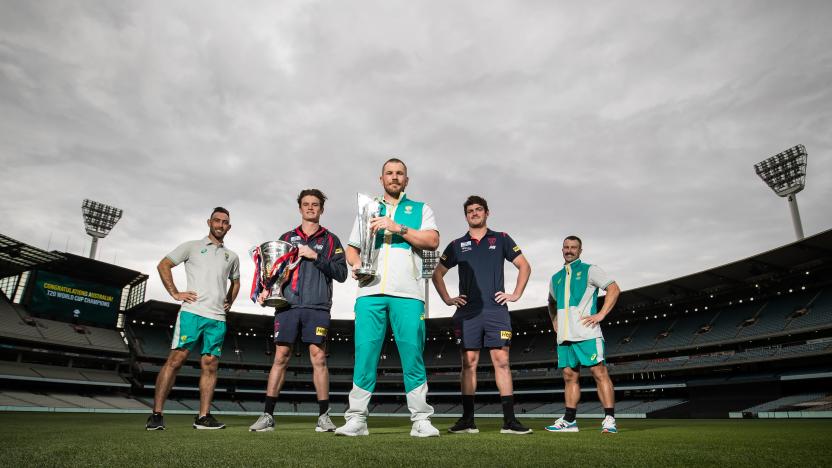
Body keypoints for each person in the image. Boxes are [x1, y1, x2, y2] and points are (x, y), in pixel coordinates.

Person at [334, 158, 441, 437]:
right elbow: (352, 249)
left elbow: (432, 241)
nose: (394, 177)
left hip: (409, 293)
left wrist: (398, 228)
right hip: (370, 292)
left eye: (400, 174)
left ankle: (421, 419)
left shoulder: (420, 209)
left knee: (412, 355)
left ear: (407, 179)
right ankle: (357, 419)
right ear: (381, 179)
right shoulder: (368, 210)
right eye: (389, 173)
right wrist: (355, 265)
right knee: (365, 355)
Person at [248, 189, 347, 433]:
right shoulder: (286, 237)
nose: (311, 208)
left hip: (317, 307)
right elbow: (274, 271)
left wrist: (316, 256)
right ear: (300, 208)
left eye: (315, 204)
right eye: (306, 204)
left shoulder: (331, 240)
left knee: (319, 358)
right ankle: (267, 416)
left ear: (321, 209)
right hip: (288, 305)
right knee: (280, 356)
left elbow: (342, 274)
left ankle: (324, 417)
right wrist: (265, 289)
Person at [432, 195, 533, 435]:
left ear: (487, 212)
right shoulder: (457, 244)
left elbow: (524, 266)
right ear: (466, 216)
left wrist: (516, 294)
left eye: (479, 210)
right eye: (470, 211)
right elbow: (437, 273)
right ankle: (468, 421)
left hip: (496, 310)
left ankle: (510, 422)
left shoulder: (502, 239)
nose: (474, 213)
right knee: (469, 364)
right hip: (467, 313)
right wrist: (447, 299)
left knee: (502, 362)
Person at [146, 207, 241, 430]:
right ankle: (157, 414)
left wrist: (230, 301)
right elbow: (164, 265)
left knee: (210, 364)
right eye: (216, 220)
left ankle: (203, 417)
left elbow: (236, 282)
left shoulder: (232, 256)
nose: (220, 225)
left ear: (229, 226)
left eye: (224, 222)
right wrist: (175, 293)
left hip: (217, 318)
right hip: (192, 313)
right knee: (176, 360)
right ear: (209, 222)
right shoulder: (192, 246)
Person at [545, 236, 621, 434]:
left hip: (587, 332)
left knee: (599, 373)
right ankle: (569, 420)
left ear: (580, 250)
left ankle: (609, 419)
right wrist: (554, 320)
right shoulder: (556, 277)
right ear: (562, 249)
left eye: (574, 247)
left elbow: (613, 289)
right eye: (566, 247)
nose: (569, 250)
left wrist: (602, 314)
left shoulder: (590, 269)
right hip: (564, 336)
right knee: (569, 376)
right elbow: (551, 302)